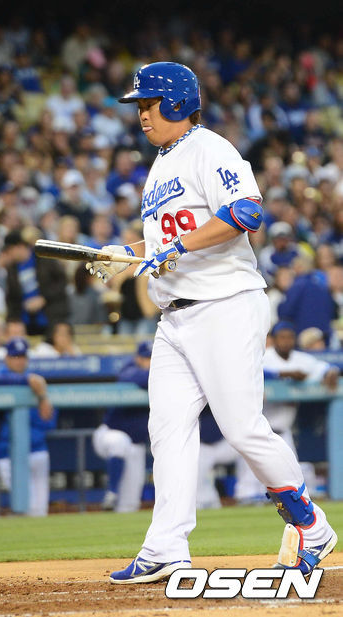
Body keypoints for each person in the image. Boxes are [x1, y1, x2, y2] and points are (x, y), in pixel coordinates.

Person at [86, 62, 337, 583]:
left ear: (178, 103)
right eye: (139, 106)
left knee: (242, 427)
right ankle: (166, 547)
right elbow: (165, 243)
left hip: (224, 304)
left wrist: (175, 247)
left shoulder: (209, 148)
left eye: (149, 104)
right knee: (167, 429)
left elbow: (246, 212)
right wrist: (125, 254)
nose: (142, 114)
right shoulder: (161, 164)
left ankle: (311, 526)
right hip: (174, 316)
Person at [235, 322, 340, 503]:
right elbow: (247, 369)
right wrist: (283, 374)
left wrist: (330, 372)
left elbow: (325, 367)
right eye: (282, 337)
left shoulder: (300, 359)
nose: (286, 341)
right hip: (257, 431)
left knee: (292, 479)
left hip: (284, 432)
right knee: (248, 489)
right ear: (274, 339)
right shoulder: (265, 356)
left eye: (290, 337)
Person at [0, 337, 57, 516]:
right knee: (25, 509)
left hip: (38, 450)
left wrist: (42, 396)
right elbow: (0, 379)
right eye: (15, 357)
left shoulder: (38, 382)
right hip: (9, 454)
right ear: (6, 358)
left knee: (40, 511)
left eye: (22, 357)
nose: (19, 361)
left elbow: (49, 421)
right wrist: (34, 386)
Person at [92, 341, 151, 513]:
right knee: (120, 441)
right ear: (138, 358)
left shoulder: (159, 373)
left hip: (136, 445)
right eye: (147, 358)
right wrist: (161, 373)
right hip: (109, 434)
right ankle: (111, 492)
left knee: (130, 504)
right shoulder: (129, 369)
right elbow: (134, 377)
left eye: (152, 358)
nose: (150, 362)